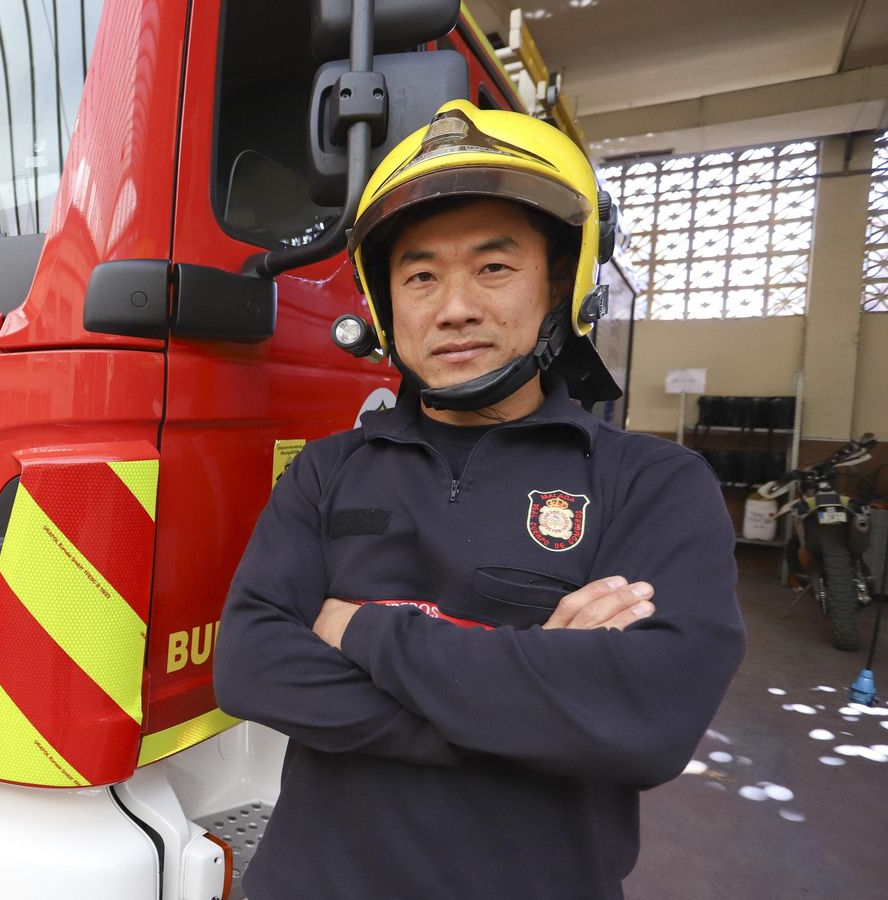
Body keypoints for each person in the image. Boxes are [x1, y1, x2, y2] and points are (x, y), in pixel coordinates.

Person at [213, 101, 746, 899]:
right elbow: (250, 669)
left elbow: (645, 719)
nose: (454, 306)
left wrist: (360, 626)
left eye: (494, 267)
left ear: (560, 282)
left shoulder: (654, 485)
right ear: (387, 303)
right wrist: (542, 698)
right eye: (420, 275)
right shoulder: (326, 472)